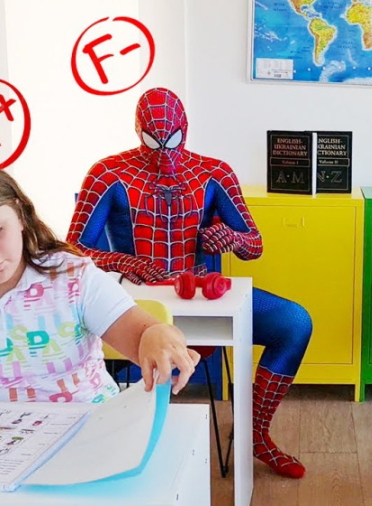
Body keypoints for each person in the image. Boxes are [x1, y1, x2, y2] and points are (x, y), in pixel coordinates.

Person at [66, 88, 312, 479]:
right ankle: (106, 439)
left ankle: (255, 434)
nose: (164, 152)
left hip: (201, 297)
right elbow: (73, 251)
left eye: (173, 139)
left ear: (185, 129)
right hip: (131, 307)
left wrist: (229, 238)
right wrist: (124, 261)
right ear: (138, 131)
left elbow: (254, 244)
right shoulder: (108, 173)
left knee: (294, 322)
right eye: (153, 141)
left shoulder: (214, 173)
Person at [0, 156, 199, 404]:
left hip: (85, 436)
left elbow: (143, 334)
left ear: (20, 216)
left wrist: (159, 336)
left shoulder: (74, 278)